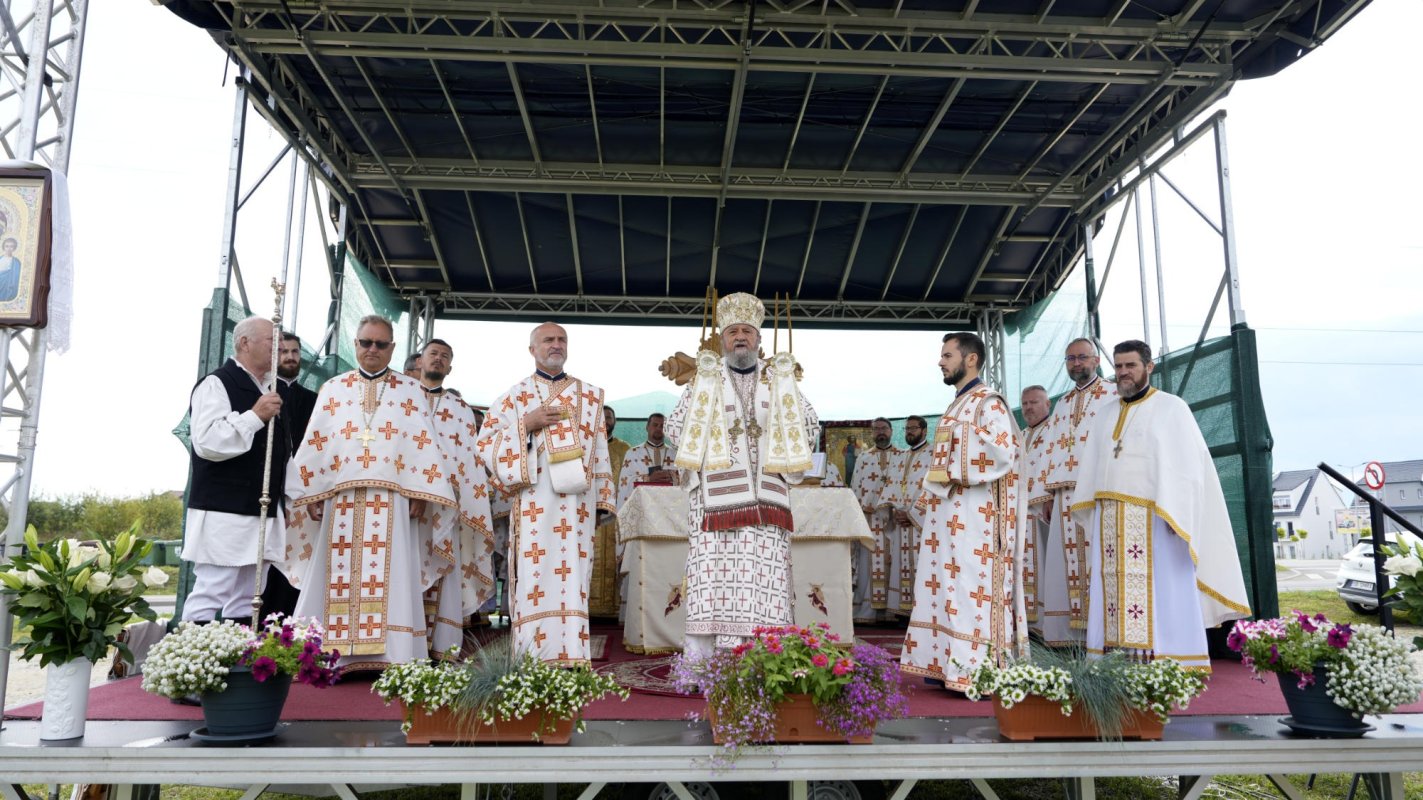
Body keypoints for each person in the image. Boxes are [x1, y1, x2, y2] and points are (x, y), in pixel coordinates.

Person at [280, 315, 461, 671]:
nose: (372, 350)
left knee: (392, 573)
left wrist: (423, 494)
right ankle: (333, 654)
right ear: (355, 345)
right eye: (366, 343)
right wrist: (312, 493)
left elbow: (423, 446)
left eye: (380, 344)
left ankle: (392, 654)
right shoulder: (333, 388)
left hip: (394, 501)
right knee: (337, 573)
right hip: (340, 500)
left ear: (392, 348)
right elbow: (317, 444)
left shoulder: (410, 391)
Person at [1069, 340, 1250, 671]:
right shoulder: (1105, 413)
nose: (1123, 372)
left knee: (1162, 588)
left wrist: (1179, 511)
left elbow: (1187, 467)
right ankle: (1113, 657)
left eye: (1131, 366)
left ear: (1148, 367)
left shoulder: (1172, 408)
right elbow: (1093, 467)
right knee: (1111, 585)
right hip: (1110, 518)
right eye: (1119, 366)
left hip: (1156, 520)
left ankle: (1169, 659)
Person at [666, 292, 820, 657]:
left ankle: (765, 660)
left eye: (747, 332)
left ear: (759, 340)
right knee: (713, 583)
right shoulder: (703, 381)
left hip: (768, 504)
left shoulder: (779, 380)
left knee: (763, 585)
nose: (740, 337)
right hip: (714, 507)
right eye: (733, 331)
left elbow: (811, 426)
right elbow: (675, 429)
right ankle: (706, 663)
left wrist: (786, 425)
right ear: (721, 340)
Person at [475, 322, 615, 665]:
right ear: (532, 350)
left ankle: (571, 654)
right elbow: (485, 445)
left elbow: (599, 449)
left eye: (561, 340)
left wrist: (601, 503)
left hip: (578, 506)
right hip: (535, 503)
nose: (556, 345)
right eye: (548, 340)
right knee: (536, 575)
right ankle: (533, 656)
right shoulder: (514, 396)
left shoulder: (591, 395)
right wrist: (526, 424)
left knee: (574, 575)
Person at [902, 332, 1026, 690]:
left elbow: (1002, 452)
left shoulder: (989, 402)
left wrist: (952, 453)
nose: (940, 361)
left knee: (969, 589)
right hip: (949, 517)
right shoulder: (958, 405)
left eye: (947, 355)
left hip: (976, 518)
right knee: (946, 588)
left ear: (970, 359)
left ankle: (974, 670)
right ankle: (946, 664)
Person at [181, 315, 287, 627]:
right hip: (224, 511)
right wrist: (254, 416)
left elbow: (281, 454)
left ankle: (237, 664)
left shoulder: (270, 389)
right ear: (244, 343)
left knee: (248, 594)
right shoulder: (217, 384)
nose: (279, 349)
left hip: (263, 509)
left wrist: (291, 500)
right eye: (272, 341)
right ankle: (194, 665)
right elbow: (207, 442)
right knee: (213, 589)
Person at [413, 338, 495, 647]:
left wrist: (466, 499)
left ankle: (439, 643)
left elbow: (470, 461)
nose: (438, 360)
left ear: (450, 367)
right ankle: (407, 640)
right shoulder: (402, 399)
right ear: (421, 360)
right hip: (407, 503)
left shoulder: (460, 409)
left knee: (444, 570)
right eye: (433, 354)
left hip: (446, 506)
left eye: (445, 357)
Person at [1040, 338, 1116, 644]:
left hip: (1097, 492)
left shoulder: (1112, 395)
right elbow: (1050, 449)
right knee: (1065, 564)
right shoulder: (1062, 403)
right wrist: (1046, 493)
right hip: (1063, 496)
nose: (1076, 364)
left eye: (1082, 358)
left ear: (1096, 360)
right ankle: (1070, 637)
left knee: (1099, 559)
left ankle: (1104, 632)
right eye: (1070, 359)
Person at [261, 331, 319, 619]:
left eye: (295, 352)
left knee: (297, 560)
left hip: (303, 496)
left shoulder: (316, 400)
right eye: (283, 351)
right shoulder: (259, 394)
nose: (290, 357)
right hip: (265, 494)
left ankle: (294, 630)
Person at [880, 414, 932, 619]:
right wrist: (894, 510)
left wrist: (913, 513)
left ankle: (922, 611)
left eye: (913, 428)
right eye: (907, 429)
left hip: (923, 523)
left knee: (922, 564)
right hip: (901, 522)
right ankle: (904, 610)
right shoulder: (901, 456)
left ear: (924, 431)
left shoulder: (934, 454)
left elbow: (935, 488)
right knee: (901, 564)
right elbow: (892, 485)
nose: (909, 432)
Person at [849, 418, 901, 624]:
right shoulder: (863, 457)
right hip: (869, 518)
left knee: (894, 561)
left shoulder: (901, 456)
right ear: (871, 433)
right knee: (867, 564)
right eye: (876, 429)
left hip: (894, 520)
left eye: (884, 428)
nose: (880, 432)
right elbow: (855, 486)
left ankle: (892, 610)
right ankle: (867, 610)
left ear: (891, 431)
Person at [1018, 385, 1053, 641]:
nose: (1029, 407)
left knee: (1044, 567)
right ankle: (1024, 624)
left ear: (1047, 404)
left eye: (1034, 402)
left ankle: (1044, 625)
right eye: (1025, 403)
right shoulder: (1019, 436)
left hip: (1043, 512)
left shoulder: (1055, 431)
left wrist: (1047, 497)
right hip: (1019, 515)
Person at [589, 406, 630, 619]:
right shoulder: (586, 447)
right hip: (588, 516)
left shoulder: (625, 449)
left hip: (616, 517)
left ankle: (613, 608)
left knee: (614, 558)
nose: (606, 421)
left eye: (609, 417)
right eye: (602, 418)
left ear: (615, 421)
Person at [616, 413, 678, 508]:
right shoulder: (632, 453)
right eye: (655, 425)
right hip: (642, 507)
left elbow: (685, 481)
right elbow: (624, 484)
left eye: (662, 426)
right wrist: (647, 479)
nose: (658, 428)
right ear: (647, 427)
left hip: (668, 508)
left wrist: (672, 477)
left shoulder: (675, 454)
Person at [0, 237, 20, 302]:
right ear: (3, 247)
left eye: (11, 246)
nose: (9, 249)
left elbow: (17, 277)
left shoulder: (16, 262)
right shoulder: (1, 259)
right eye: (7, 246)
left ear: (14, 248)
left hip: (8, 287)